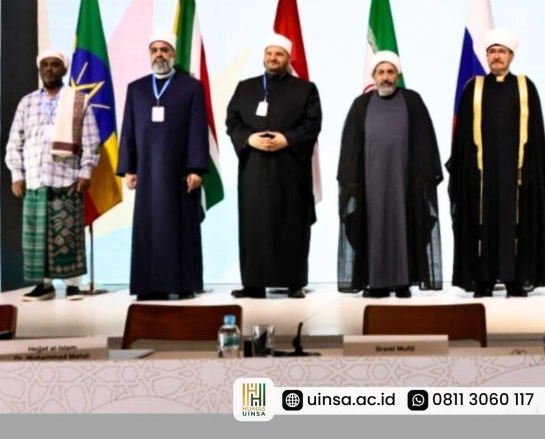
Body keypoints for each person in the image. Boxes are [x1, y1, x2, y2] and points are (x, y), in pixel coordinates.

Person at [448, 29, 545, 297]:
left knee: (516, 224)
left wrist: (532, 170)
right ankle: (483, 280)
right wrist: (464, 172)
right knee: (481, 224)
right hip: (481, 176)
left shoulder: (525, 87)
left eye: (502, 52)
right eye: (492, 52)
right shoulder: (473, 88)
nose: (497, 56)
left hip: (516, 174)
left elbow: (536, 133)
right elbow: (462, 138)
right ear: (487, 56)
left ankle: (515, 279)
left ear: (511, 56)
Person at [337, 51, 443, 298]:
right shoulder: (361, 105)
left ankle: (403, 282)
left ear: (398, 75)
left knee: (405, 226)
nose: (385, 77)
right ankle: (376, 283)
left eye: (390, 72)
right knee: (372, 228)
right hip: (370, 184)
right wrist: (351, 181)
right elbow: (350, 146)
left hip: (405, 183)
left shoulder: (412, 101)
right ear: (373, 76)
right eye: (381, 72)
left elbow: (425, 141)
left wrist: (422, 178)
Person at [226, 33, 322, 299]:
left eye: (278, 54)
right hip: (254, 170)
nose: (272, 58)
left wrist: (286, 139)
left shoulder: (305, 89)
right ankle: (253, 284)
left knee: (291, 223)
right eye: (269, 53)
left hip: (290, 170)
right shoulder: (246, 87)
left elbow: (312, 124)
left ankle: (293, 283)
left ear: (288, 58)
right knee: (253, 225)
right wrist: (248, 139)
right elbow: (232, 121)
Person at [118, 31, 209, 301]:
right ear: (149, 54)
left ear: (173, 54)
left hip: (179, 174)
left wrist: (196, 168)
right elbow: (128, 130)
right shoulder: (136, 88)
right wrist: (129, 168)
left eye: (164, 49)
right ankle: (148, 287)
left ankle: (182, 285)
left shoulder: (191, 87)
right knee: (149, 231)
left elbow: (197, 130)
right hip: (147, 173)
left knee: (181, 228)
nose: (159, 54)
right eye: (154, 50)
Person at [5, 50, 99, 301]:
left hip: (67, 179)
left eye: (55, 64)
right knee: (37, 237)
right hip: (35, 179)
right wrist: (17, 175)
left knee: (67, 234)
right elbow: (15, 141)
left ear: (64, 69)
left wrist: (86, 172)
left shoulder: (78, 101)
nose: (49, 69)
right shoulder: (27, 103)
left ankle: (72, 286)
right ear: (39, 69)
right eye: (45, 64)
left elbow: (91, 141)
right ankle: (43, 286)